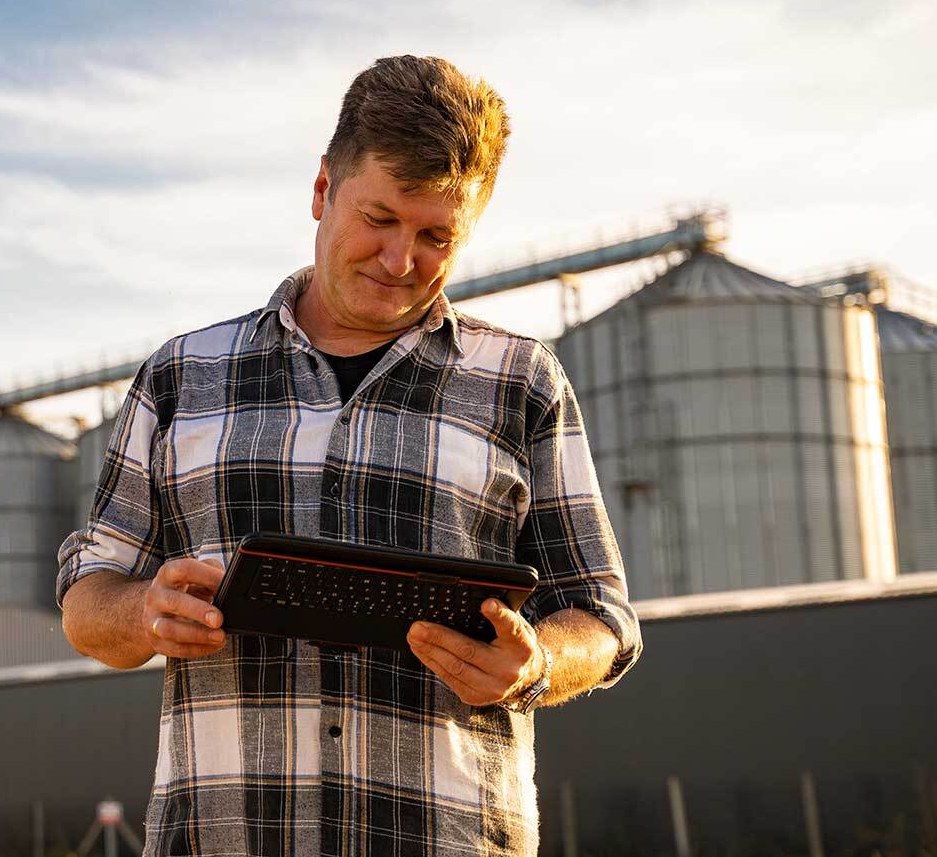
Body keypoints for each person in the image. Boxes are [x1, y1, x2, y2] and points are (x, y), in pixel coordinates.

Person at [56, 55, 642, 857]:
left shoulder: (521, 381)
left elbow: (603, 619)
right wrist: (142, 611)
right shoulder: (181, 376)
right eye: (380, 218)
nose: (401, 261)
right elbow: (90, 598)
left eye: (437, 235)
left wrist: (536, 663)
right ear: (323, 189)